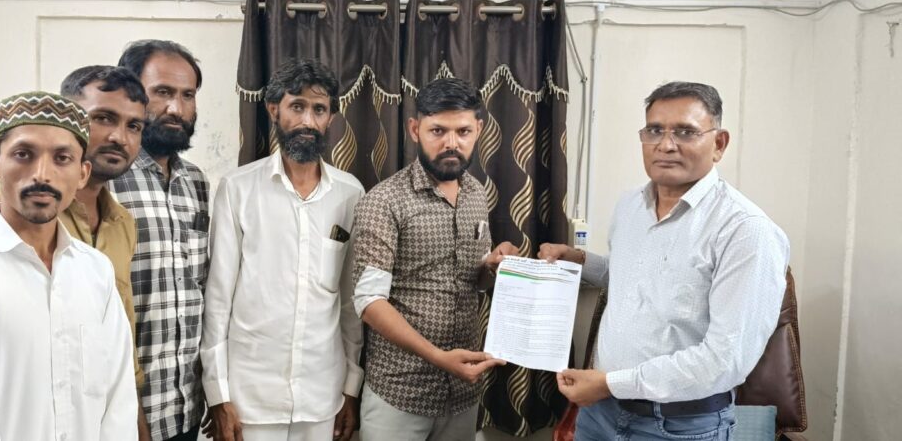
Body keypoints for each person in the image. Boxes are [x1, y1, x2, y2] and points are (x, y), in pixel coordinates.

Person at [540, 82, 790, 440]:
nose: (666, 144)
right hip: (600, 415)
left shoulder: (746, 231)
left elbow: (725, 361)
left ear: (719, 144)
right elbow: (631, 278)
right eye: (655, 130)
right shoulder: (630, 206)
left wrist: (611, 383)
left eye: (686, 132)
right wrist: (578, 259)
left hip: (677, 426)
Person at [0, 64, 152, 438]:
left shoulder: (114, 236)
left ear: (81, 170)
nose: (119, 137)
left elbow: (115, 366)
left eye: (133, 126)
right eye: (104, 118)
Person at [200, 59, 364, 441]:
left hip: (322, 395)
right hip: (250, 397)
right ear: (274, 109)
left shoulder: (350, 193)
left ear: (330, 118)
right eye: (297, 106)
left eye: (319, 109)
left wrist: (351, 387)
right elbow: (218, 299)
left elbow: (350, 304)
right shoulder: (238, 188)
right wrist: (218, 393)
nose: (308, 120)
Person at [351, 78, 517, 440]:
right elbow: (369, 302)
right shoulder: (384, 201)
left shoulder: (476, 194)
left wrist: (494, 265)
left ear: (479, 130)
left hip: (463, 393)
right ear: (415, 129)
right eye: (438, 131)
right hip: (400, 393)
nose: (451, 143)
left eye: (463, 131)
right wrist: (438, 357)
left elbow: (475, 280)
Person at [112, 39, 210, 441]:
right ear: (132, 96)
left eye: (187, 95)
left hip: (186, 409)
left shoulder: (197, 182)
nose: (176, 108)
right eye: (163, 92)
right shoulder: (104, 180)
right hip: (123, 413)